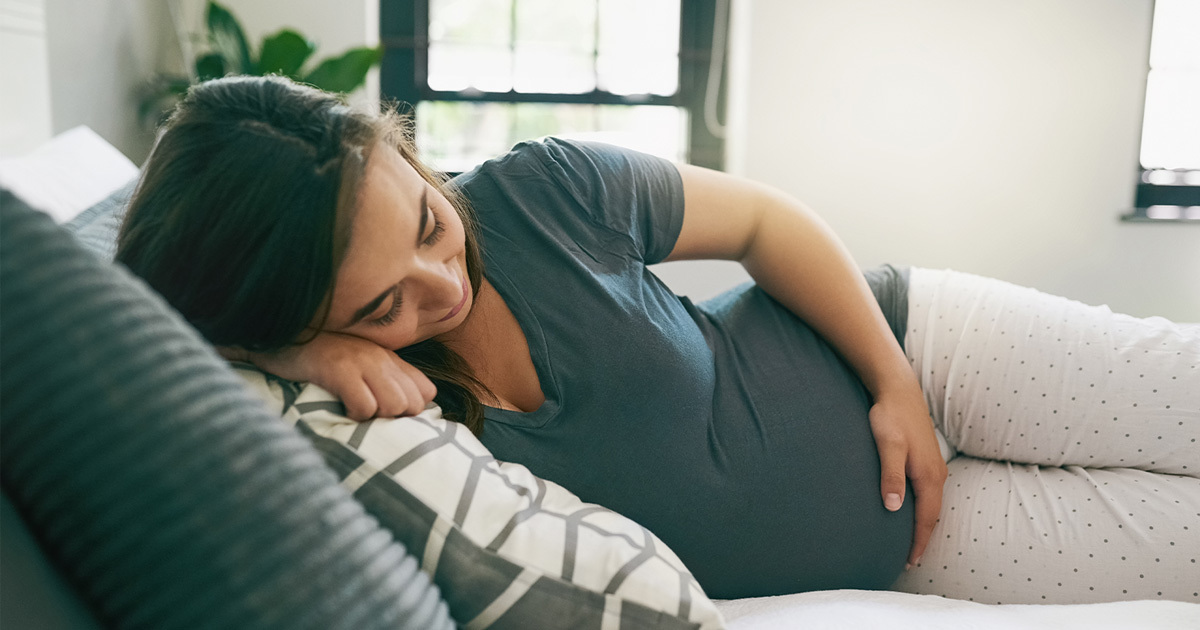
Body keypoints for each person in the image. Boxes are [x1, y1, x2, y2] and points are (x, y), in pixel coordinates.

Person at [116, 75, 1199, 604]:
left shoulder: (542, 190)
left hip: (932, 354)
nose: (439, 285)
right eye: (378, 306)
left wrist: (894, 384)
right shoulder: (376, 411)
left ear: (406, 150)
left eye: (430, 226)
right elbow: (145, 352)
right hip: (910, 543)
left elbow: (773, 222)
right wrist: (292, 354)